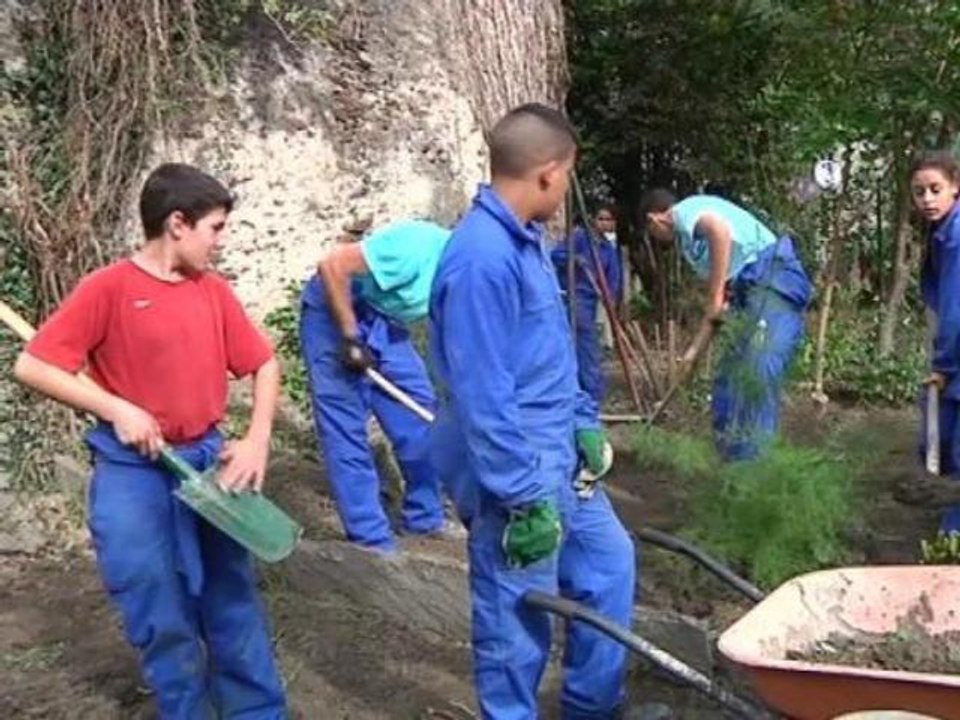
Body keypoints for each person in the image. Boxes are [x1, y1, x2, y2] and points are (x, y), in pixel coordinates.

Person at [13, 163, 287, 718]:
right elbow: (33, 365)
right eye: (215, 228)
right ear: (178, 224)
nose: (220, 241)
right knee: (156, 605)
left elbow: (263, 363)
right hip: (133, 473)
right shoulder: (108, 289)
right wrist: (115, 407)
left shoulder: (212, 292)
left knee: (230, 601)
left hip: (209, 466)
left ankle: (257, 712)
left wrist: (257, 439)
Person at [429, 103, 635, 719]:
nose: (567, 188)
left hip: (558, 459)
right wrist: (521, 498)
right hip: (512, 476)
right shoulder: (479, 259)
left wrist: (582, 422)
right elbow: (482, 396)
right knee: (516, 626)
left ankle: (592, 710)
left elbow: (549, 356)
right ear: (548, 173)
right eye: (568, 175)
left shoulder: (526, 245)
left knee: (608, 567)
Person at [299, 219, 455, 552]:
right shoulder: (416, 246)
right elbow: (332, 265)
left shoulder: (465, 277)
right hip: (333, 313)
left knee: (423, 417)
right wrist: (350, 337)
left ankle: (424, 518)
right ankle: (371, 540)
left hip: (384, 320)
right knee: (345, 428)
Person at [641, 189, 812, 461]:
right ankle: (731, 461)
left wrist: (716, 294)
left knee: (756, 372)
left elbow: (718, 230)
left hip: (771, 279)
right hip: (747, 291)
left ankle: (753, 473)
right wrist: (692, 354)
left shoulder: (684, 212)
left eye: (652, 233)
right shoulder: (690, 243)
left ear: (655, 220)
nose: (658, 240)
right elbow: (717, 311)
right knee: (728, 379)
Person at [913, 150, 960, 533]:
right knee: (939, 442)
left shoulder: (957, 235)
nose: (927, 199)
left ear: (955, 188)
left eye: (935, 189)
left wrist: (942, 367)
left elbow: (955, 307)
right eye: (919, 192)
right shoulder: (942, 235)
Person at [551, 206, 624, 406]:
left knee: (588, 345)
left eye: (609, 219)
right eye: (601, 218)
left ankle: (585, 392)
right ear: (593, 220)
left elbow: (613, 280)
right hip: (573, 297)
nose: (605, 223)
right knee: (586, 344)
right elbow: (555, 255)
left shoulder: (608, 250)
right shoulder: (579, 238)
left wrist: (610, 301)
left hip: (593, 302)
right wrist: (573, 259)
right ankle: (591, 394)